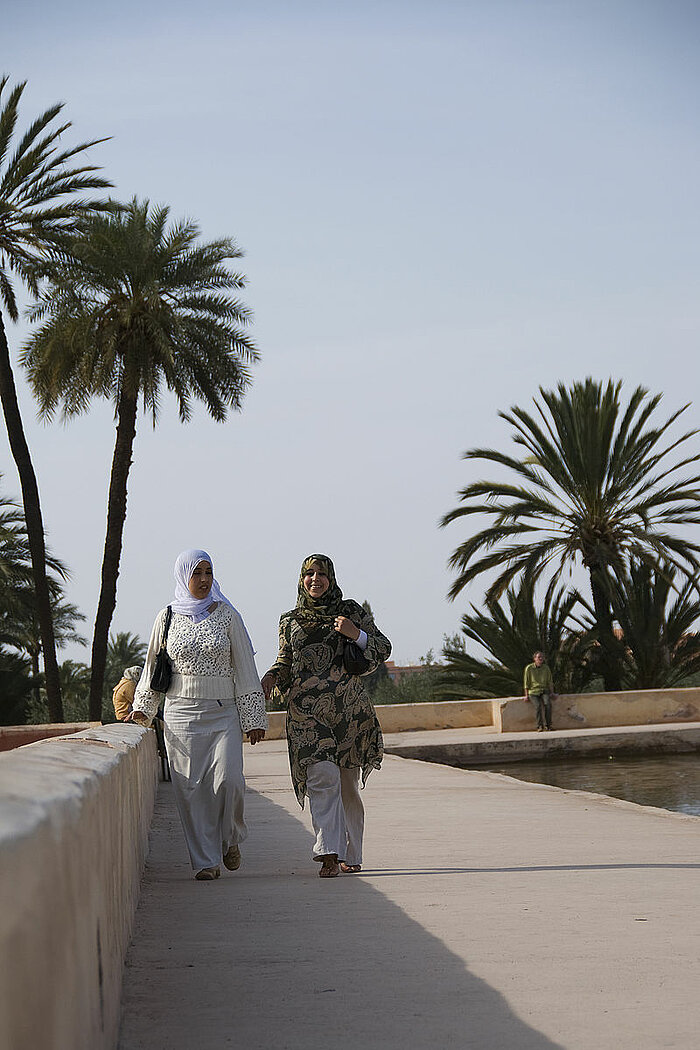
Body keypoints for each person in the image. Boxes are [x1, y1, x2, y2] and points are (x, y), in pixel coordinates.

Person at [128, 549, 267, 881]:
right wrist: (142, 709)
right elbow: (152, 667)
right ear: (183, 576)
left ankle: (230, 838)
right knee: (191, 791)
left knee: (229, 781)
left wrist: (254, 719)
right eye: (197, 573)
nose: (204, 580)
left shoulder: (228, 616)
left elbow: (245, 668)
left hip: (223, 713)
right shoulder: (167, 617)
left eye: (209, 572)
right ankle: (206, 861)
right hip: (179, 714)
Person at [261, 554, 391, 878]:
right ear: (302, 579)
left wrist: (355, 633)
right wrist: (271, 677)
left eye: (321, 574)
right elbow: (284, 661)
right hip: (306, 714)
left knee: (347, 783)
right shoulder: (289, 620)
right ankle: (328, 851)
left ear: (331, 578)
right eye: (309, 574)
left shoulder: (349, 612)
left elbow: (382, 647)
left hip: (348, 711)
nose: (315, 579)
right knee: (323, 776)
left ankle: (351, 851)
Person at [523, 651, 557, 731]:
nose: (540, 658)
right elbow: (526, 682)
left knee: (548, 704)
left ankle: (548, 725)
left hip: (544, 690)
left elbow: (550, 681)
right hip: (533, 692)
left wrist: (552, 693)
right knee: (538, 706)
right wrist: (526, 695)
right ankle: (539, 726)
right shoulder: (529, 668)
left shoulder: (546, 668)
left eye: (542, 657)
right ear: (534, 659)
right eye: (539, 657)